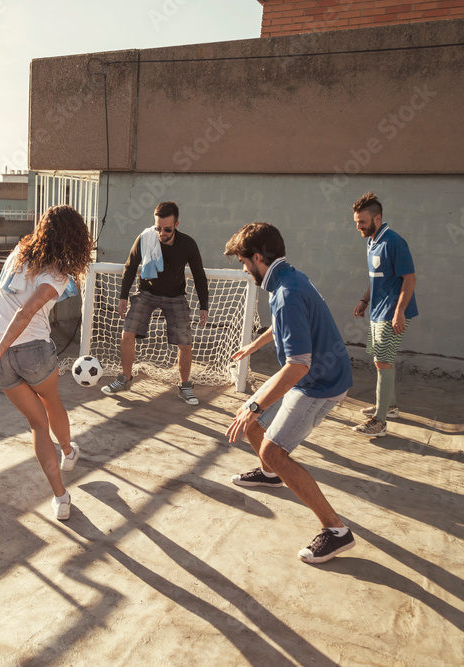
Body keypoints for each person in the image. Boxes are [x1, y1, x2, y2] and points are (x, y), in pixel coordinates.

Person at [224, 222, 355, 564]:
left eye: (243, 262)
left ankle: (337, 532)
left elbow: (298, 365)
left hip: (319, 384)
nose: (243, 268)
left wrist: (255, 404)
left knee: (273, 447)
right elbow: (289, 325)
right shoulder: (289, 278)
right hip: (315, 374)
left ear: (257, 258)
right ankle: (270, 475)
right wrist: (255, 344)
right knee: (250, 421)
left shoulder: (286, 293)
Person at [0, 205, 93, 521]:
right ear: (74, 239)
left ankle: (61, 498)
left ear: (42, 229)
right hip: (32, 351)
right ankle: (69, 452)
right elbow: (26, 313)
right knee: (52, 401)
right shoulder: (58, 274)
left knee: (36, 425)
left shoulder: (18, 252)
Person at [100, 201, 209, 405]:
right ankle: (125, 378)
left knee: (185, 343)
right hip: (147, 292)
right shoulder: (146, 237)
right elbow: (130, 267)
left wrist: (204, 305)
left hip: (176, 295)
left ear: (176, 224)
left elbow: (199, 275)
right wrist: (123, 296)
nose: (161, 233)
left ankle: (185, 386)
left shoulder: (187, 244)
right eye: (158, 227)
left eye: (167, 229)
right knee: (127, 332)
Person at [351, 192, 418, 438]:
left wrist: (399, 312)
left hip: (392, 313)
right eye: (356, 221)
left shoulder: (393, 242)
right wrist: (364, 300)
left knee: (383, 361)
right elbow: (378, 278)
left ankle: (379, 422)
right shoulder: (372, 242)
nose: (358, 226)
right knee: (381, 359)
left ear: (377, 219)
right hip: (378, 311)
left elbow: (409, 279)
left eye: (362, 222)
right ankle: (389, 407)